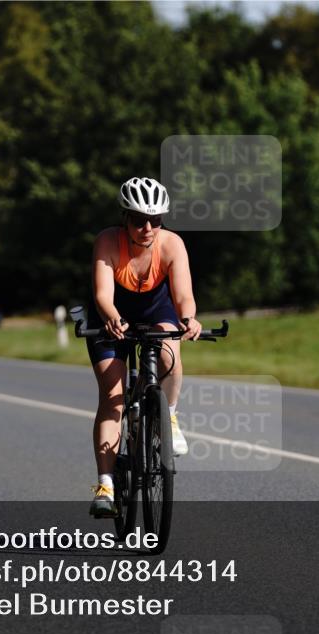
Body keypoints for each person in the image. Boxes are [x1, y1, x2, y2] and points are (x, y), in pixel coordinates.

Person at [86, 177, 202, 517]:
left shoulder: (172, 244)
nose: (147, 228)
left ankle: (169, 415)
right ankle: (106, 485)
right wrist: (111, 317)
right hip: (111, 315)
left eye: (155, 220)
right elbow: (102, 294)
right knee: (113, 397)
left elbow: (183, 295)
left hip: (156, 311)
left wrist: (189, 318)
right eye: (139, 220)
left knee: (170, 351)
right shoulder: (107, 241)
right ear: (125, 218)